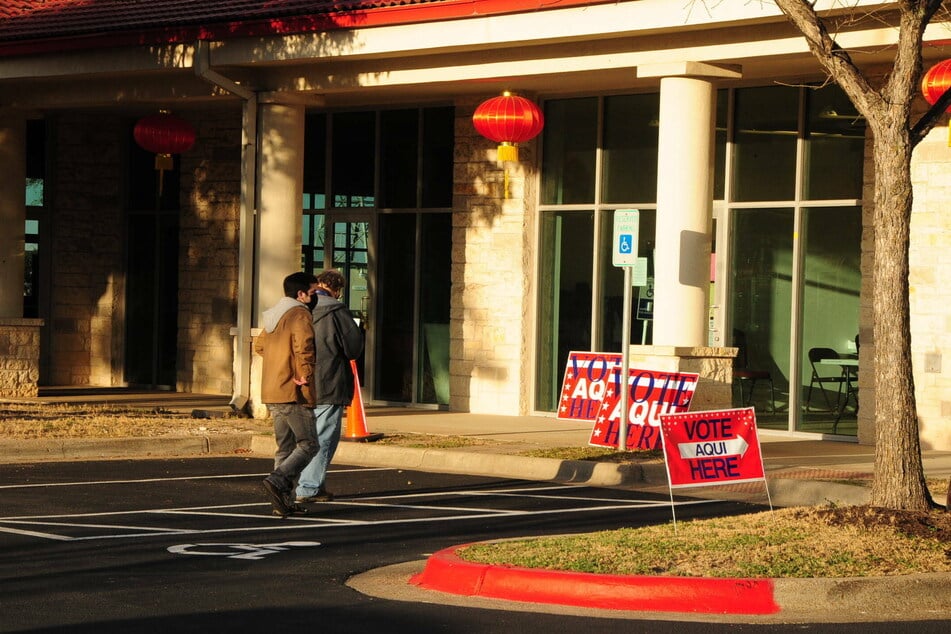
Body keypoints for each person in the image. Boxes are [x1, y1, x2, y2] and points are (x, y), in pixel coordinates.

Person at [253, 271, 320, 517]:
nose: (315, 297)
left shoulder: (274, 315)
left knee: (285, 447)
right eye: (313, 292)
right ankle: (278, 481)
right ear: (301, 294)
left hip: (272, 389)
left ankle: (282, 502)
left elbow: (259, 346)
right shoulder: (299, 314)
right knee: (309, 444)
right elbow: (304, 347)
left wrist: (279, 363)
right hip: (293, 391)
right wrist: (304, 374)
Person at [295, 269, 364, 504]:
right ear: (336, 289)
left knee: (302, 436)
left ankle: (306, 483)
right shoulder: (336, 310)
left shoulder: (297, 308)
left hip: (298, 382)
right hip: (328, 380)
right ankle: (309, 487)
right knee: (323, 437)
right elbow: (353, 348)